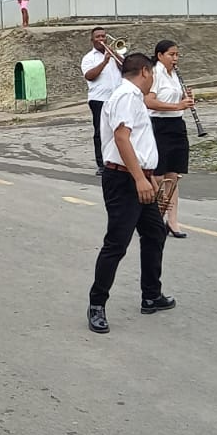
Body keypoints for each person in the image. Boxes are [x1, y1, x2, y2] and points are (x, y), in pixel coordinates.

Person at [87, 52, 175, 334]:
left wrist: (147, 177)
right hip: (124, 179)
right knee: (117, 243)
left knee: (155, 233)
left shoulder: (134, 97)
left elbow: (138, 141)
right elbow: (121, 138)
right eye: (153, 75)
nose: (153, 81)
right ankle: (97, 304)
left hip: (139, 177)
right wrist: (139, 178)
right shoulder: (126, 95)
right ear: (145, 72)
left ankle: (151, 294)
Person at [142, 40, 192, 238]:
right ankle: (153, 217)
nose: (175, 58)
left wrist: (185, 100)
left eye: (177, 55)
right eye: (171, 55)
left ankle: (172, 221)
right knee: (158, 176)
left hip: (176, 125)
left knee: (173, 175)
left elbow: (177, 101)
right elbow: (149, 101)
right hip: (159, 125)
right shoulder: (155, 73)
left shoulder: (175, 75)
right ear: (160, 55)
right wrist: (177, 106)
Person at [81, 27, 124, 176]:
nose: (101, 39)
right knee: (101, 132)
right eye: (98, 37)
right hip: (99, 99)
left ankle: (119, 161)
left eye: (103, 36)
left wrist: (115, 55)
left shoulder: (115, 54)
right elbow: (89, 76)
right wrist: (105, 62)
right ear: (92, 40)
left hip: (117, 98)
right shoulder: (88, 58)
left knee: (120, 129)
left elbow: (127, 69)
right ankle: (102, 164)